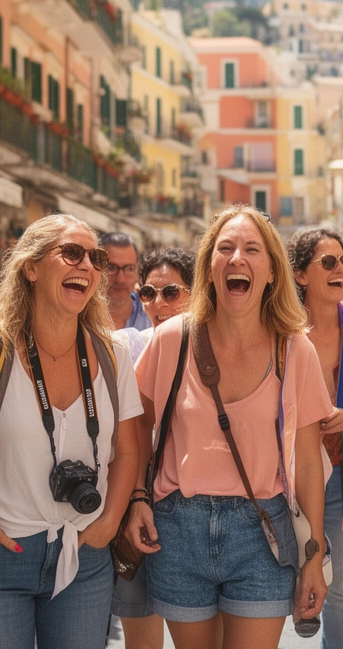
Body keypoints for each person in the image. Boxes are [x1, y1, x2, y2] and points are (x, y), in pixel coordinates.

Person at [0, 215, 143, 648]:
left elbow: (128, 450)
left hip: (83, 558)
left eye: (95, 258)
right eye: (71, 253)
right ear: (31, 267)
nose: (87, 265)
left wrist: (109, 521)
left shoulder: (112, 353)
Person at [124, 205, 330, 649]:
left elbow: (310, 462)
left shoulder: (295, 350)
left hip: (262, 531)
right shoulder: (172, 338)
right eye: (226, 248)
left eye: (252, 249)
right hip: (178, 527)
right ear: (209, 267)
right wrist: (138, 498)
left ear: (272, 272)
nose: (237, 257)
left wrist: (313, 556)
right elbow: (136, 425)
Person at [290, 227, 343, 649]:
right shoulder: (280, 330)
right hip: (288, 478)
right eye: (328, 262)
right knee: (281, 574)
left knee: (342, 585)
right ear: (301, 275)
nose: (340, 269)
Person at [111, 246, 195, 649]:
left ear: (197, 293)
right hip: (136, 498)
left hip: (188, 508)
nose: (157, 303)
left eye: (172, 292)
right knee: (141, 633)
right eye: (147, 293)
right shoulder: (126, 346)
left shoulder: (212, 349)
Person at [101, 232, 152, 332]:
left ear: (138, 271)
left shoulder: (151, 314)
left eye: (129, 269)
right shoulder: (78, 313)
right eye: (111, 268)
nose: (120, 279)